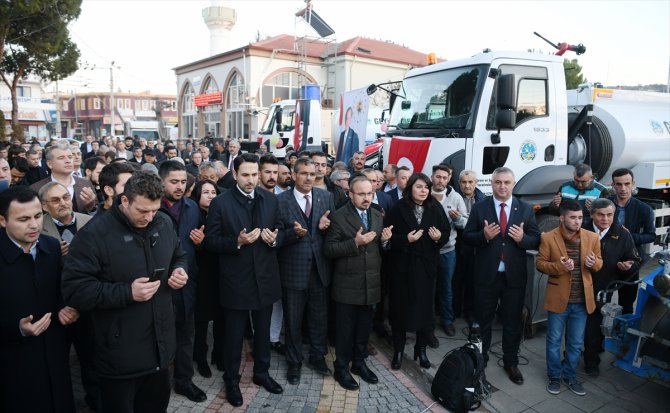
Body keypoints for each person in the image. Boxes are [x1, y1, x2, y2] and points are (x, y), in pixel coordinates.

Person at [61, 171, 189, 413]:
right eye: (143, 211)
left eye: (154, 210)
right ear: (124, 201)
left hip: (160, 352)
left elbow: (179, 255)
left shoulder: (162, 222)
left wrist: (180, 271)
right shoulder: (93, 235)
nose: (150, 217)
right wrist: (127, 292)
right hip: (119, 359)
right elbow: (75, 290)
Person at [203, 153, 284, 407]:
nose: (251, 180)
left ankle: (262, 373)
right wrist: (237, 241)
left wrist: (274, 238)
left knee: (262, 333)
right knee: (233, 336)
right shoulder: (221, 203)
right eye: (245, 175)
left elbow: (280, 228)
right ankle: (231, 380)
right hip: (235, 281)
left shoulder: (270, 200)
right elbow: (210, 242)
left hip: (265, 278)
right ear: (235, 174)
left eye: (254, 175)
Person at [0, 186, 77, 413]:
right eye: (23, 219)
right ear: (2, 221)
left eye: (37, 216)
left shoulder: (51, 247)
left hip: (54, 355)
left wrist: (67, 307)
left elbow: (60, 290)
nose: (34, 225)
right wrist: (18, 330)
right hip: (13, 364)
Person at [463, 167, 540, 385]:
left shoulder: (525, 209)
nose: (502, 186)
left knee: (512, 323)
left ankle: (511, 362)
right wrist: (483, 236)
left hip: (513, 278)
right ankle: (481, 359)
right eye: (498, 182)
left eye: (507, 182)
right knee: (483, 322)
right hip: (486, 276)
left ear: (513, 184)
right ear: (492, 183)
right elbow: (468, 237)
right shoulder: (480, 207)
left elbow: (536, 240)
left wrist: (523, 239)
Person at [324, 175, 393, 391]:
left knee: (364, 328)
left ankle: (359, 363)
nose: (366, 198)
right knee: (344, 331)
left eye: (369, 193)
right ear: (350, 194)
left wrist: (385, 241)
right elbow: (329, 249)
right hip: (346, 284)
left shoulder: (376, 214)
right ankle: (341, 367)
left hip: (370, 283)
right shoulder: (338, 216)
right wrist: (354, 242)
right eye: (361, 194)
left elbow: (382, 249)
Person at [277, 158, 335, 384]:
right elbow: (276, 238)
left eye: (313, 174)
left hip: (320, 270)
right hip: (293, 271)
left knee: (319, 318)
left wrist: (323, 229)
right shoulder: (280, 201)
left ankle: (317, 357)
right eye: (304, 173)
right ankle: (294, 362)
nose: (310, 177)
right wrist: (293, 234)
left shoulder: (325, 197)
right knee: (293, 320)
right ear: (294, 174)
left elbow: (334, 233)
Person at [536, 200, 603, 397]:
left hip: (582, 302)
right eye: (573, 217)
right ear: (562, 217)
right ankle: (554, 376)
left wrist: (594, 263)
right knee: (554, 341)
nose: (577, 221)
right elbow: (540, 264)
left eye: (580, 217)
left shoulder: (592, 237)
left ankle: (570, 375)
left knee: (575, 343)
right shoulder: (549, 237)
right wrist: (559, 266)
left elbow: (599, 263)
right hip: (558, 300)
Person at [385, 173, 449, 369]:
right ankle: (398, 351)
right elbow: (387, 237)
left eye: (426, 187)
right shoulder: (398, 208)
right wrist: (406, 240)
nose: (424, 191)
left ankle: (421, 350)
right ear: (410, 187)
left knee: (425, 312)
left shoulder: (435, 207)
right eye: (419, 187)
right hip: (402, 269)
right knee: (400, 311)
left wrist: (439, 238)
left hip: (426, 268)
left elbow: (445, 232)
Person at [158, 160, 207, 403]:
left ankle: (184, 381)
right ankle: (157, 385)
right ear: (161, 181)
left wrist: (200, 241)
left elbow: (198, 244)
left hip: (187, 283)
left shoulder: (192, 208)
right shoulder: (152, 209)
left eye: (183, 182)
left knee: (186, 335)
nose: (180, 186)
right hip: (158, 287)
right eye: (174, 182)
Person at [583, 198, 641, 376]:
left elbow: (635, 261)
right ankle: (570, 354)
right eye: (600, 215)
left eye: (609, 215)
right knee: (575, 325)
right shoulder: (581, 228)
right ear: (592, 214)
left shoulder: (622, 234)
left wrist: (628, 266)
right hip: (578, 286)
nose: (605, 219)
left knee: (594, 327)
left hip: (602, 290)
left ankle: (592, 362)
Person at [609, 168, 655, 314]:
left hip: (630, 261)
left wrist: (629, 236)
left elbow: (651, 236)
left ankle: (624, 334)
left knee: (627, 304)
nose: (623, 188)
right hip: (606, 260)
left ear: (633, 184)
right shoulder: (605, 205)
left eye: (627, 184)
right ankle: (599, 335)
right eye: (619, 184)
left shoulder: (643, 209)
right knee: (601, 301)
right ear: (613, 185)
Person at [190, 180, 223, 377]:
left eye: (213, 192)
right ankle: (200, 356)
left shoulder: (221, 214)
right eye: (205, 192)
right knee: (201, 320)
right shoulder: (193, 215)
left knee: (221, 316)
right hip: (201, 274)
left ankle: (219, 353)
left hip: (221, 272)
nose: (210, 195)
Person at [431, 164, 468, 337]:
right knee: (427, 288)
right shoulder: (425, 194)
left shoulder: (456, 198)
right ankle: (427, 322)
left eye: (444, 178)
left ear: (448, 179)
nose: (441, 180)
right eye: (438, 176)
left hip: (447, 251)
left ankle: (447, 320)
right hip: (426, 252)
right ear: (432, 177)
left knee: (446, 288)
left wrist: (459, 218)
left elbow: (466, 223)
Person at [257, 154, 287, 355]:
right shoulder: (252, 195)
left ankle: (273, 338)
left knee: (276, 302)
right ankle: (256, 336)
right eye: (267, 172)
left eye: (274, 172)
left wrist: (278, 238)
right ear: (259, 173)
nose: (271, 176)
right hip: (255, 258)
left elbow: (283, 227)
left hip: (280, 257)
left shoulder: (283, 196)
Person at [453, 169, 486, 323]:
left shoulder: (484, 200)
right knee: (457, 279)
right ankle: (455, 309)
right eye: (464, 182)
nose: (467, 185)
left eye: (470, 182)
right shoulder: (453, 198)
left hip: (476, 247)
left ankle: (470, 311)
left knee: (472, 281)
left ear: (476, 183)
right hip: (457, 246)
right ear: (459, 183)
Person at [30, 142, 97, 214]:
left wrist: (91, 207)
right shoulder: (36, 189)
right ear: (50, 164)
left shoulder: (85, 184)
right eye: (61, 158)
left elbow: (96, 213)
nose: (68, 161)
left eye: (70, 157)